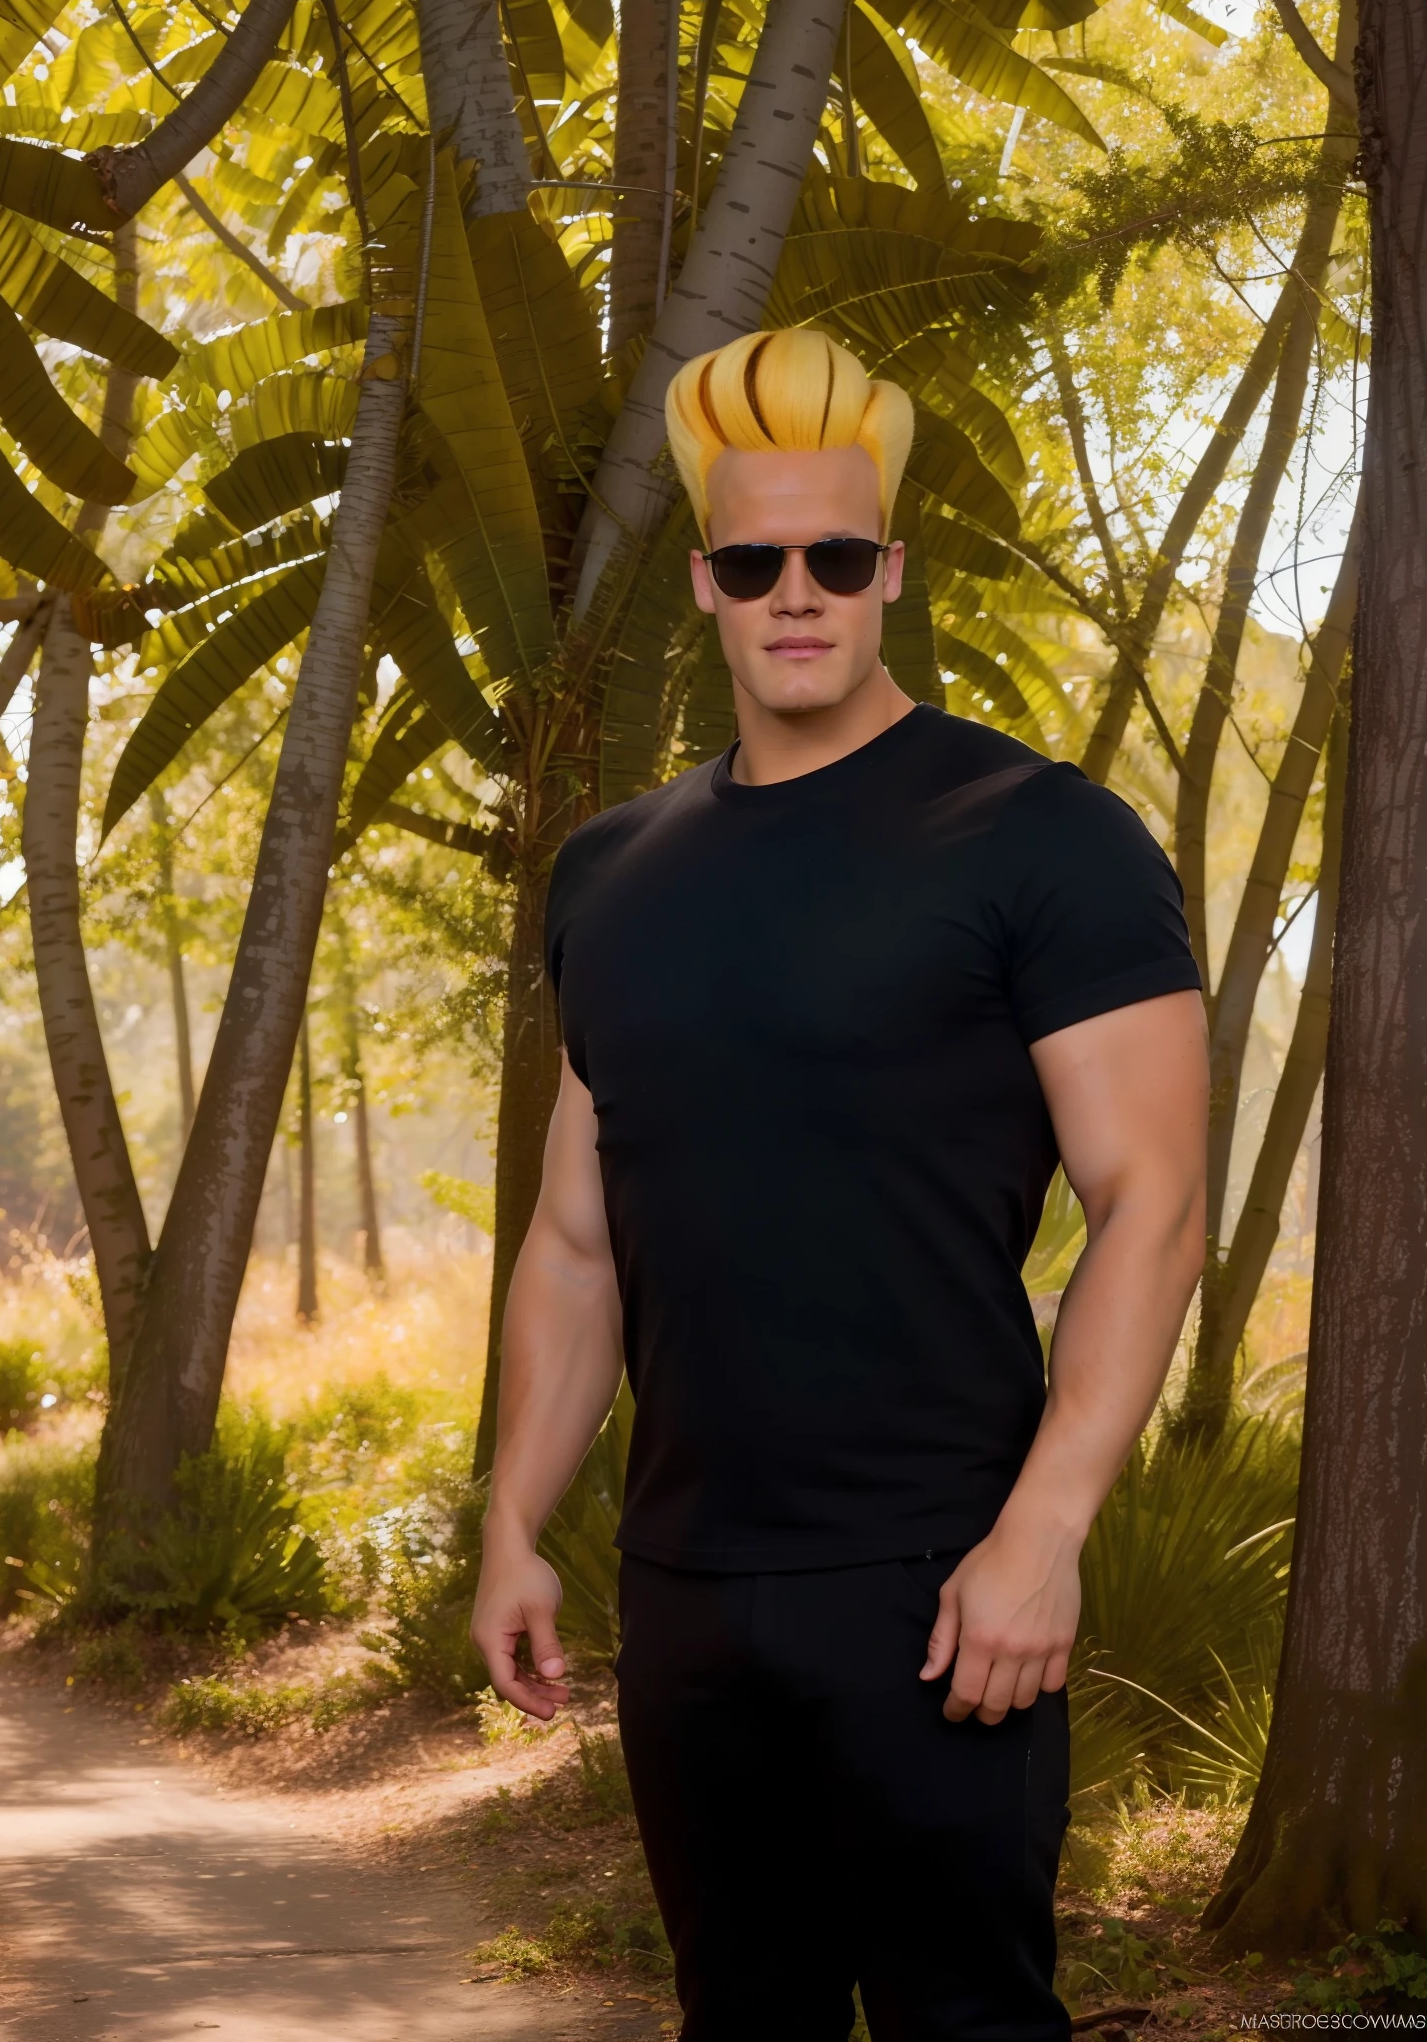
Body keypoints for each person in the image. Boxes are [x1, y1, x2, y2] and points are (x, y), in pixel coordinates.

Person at [470, 326, 1208, 2039]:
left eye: (835, 556)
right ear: (711, 585)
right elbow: (578, 1241)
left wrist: (1042, 1536)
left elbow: (1153, 1204)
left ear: (891, 571)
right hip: (686, 1592)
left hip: (941, 1591)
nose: (794, 590)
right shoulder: (607, 873)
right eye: (751, 558)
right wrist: (515, 1524)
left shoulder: (1045, 836)